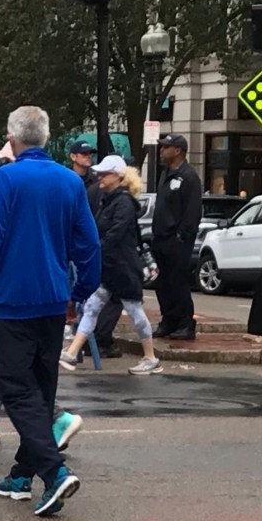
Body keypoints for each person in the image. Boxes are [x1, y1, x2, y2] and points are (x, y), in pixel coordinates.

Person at [0, 107, 100, 517]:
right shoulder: (70, 181)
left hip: (15, 299)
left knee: (17, 389)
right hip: (53, 298)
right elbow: (89, 244)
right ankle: (21, 474)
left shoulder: (8, 179)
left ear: (12, 139)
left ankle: (54, 471)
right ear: (47, 137)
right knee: (41, 389)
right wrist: (80, 292)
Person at [60, 156, 163, 376]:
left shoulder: (123, 202)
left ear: (118, 176)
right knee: (92, 308)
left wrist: (94, 250)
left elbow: (115, 234)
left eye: (105, 173)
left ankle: (150, 357)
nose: (100, 177)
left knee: (134, 311)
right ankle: (73, 351)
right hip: (111, 267)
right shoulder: (111, 200)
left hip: (123, 268)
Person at [69, 139, 122, 358]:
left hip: (92, 243)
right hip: (78, 242)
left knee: (98, 295)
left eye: (89, 153)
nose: (87, 157)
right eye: (83, 154)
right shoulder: (68, 180)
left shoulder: (95, 185)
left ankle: (89, 341)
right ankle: (90, 340)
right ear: (73, 157)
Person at [151, 133, 202, 340]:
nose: (162, 151)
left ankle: (185, 322)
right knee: (162, 282)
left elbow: (192, 211)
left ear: (178, 150)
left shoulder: (189, 177)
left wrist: (182, 235)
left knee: (177, 281)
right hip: (160, 237)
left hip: (177, 239)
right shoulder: (165, 173)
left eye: (166, 147)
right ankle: (168, 319)